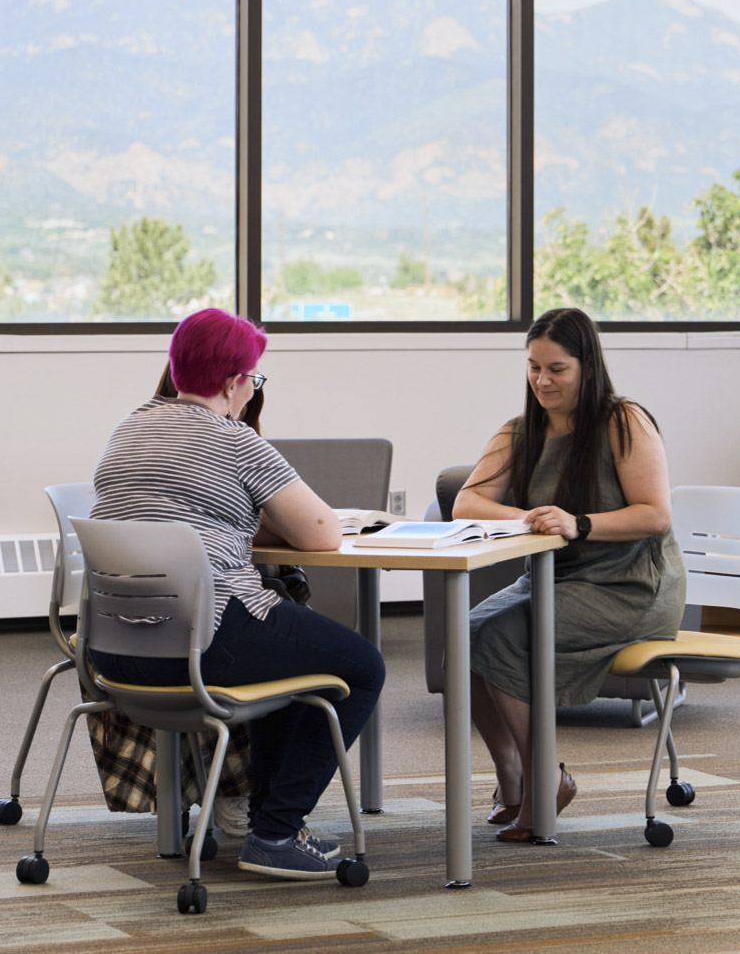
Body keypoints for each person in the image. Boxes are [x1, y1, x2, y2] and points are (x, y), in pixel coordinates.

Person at [88, 308, 385, 880]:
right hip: (204, 643)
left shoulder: (128, 427)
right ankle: (275, 831)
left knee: (288, 653)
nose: (253, 387)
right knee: (359, 663)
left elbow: (189, 514)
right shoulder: (238, 443)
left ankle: (261, 821)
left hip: (116, 654)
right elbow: (321, 534)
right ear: (233, 383)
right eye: (254, 376)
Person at [454, 307, 686, 842]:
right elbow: (468, 501)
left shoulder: (623, 420)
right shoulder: (521, 430)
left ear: (587, 365)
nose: (542, 380)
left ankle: (546, 781)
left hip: (631, 585)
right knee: (462, 637)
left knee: (503, 636)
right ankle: (512, 778)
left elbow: (655, 514)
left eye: (556, 368)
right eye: (533, 367)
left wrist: (576, 524)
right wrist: (532, 519)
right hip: (558, 579)